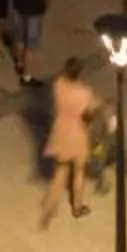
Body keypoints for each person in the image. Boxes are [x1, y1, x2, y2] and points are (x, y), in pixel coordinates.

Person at [40, 58, 98, 226]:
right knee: (78, 172)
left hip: (61, 131)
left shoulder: (58, 84)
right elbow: (88, 115)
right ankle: (78, 207)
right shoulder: (85, 92)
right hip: (77, 134)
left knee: (60, 169)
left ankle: (51, 205)